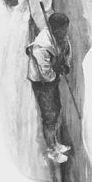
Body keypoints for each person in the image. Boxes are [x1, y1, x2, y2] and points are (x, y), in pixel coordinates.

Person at [26, 11, 73, 163]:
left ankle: (55, 143)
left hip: (52, 80)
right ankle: (52, 149)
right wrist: (56, 71)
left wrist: (65, 65)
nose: (65, 32)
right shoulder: (42, 46)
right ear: (55, 29)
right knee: (49, 117)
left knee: (57, 110)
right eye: (63, 30)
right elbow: (45, 72)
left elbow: (66, 50)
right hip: (42, 83)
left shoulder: (60, 37)